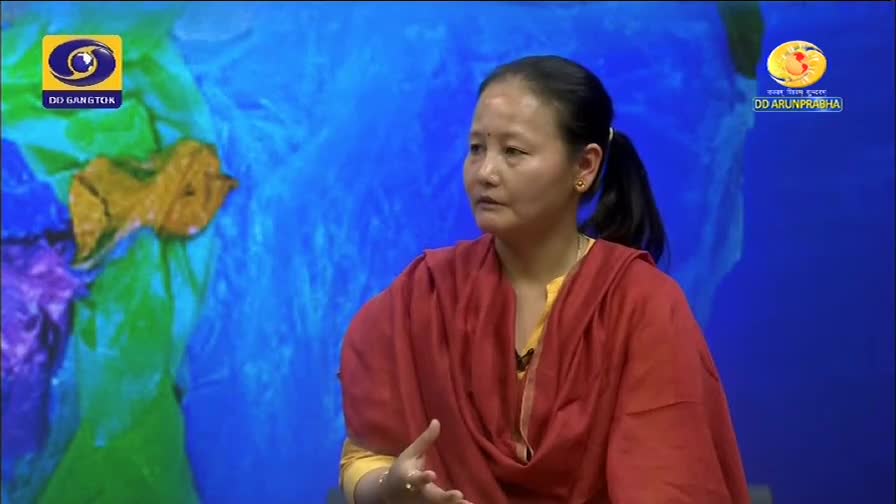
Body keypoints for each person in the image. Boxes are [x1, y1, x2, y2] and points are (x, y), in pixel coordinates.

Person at [338, 55, 750, 504]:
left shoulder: (643, 304)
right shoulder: (425, 294)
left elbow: (670, 483)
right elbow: (365, 457)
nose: (485, 172)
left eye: (513, 152)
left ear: (584, 167)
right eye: (476, 148)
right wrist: (391, 489)